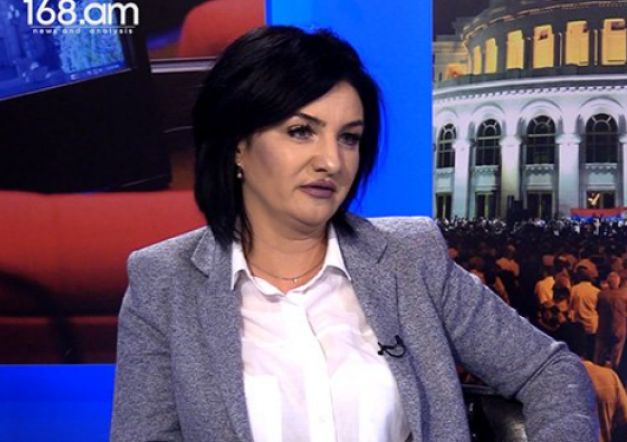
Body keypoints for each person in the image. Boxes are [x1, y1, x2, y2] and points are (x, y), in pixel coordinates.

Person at [109, 26, 598, 442]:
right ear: (237, 144)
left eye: (349, 137)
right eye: (301, 131)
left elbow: (550, 371)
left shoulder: (411, 256)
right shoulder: (163, 282)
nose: (331, 160)